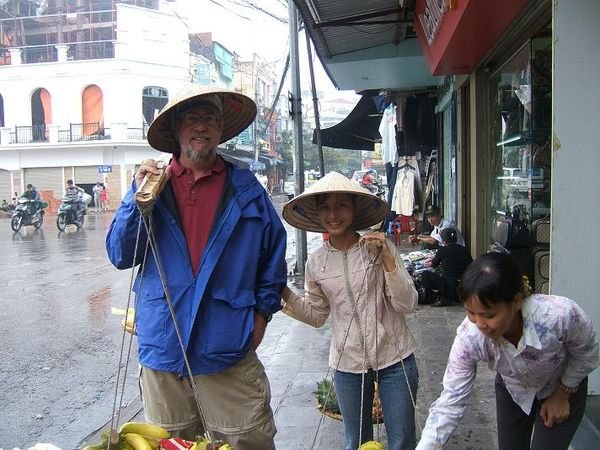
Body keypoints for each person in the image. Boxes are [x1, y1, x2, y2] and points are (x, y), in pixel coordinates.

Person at [105, 85, 287, 449]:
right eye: (192, 118)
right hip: (164, 346)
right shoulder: (152, 186)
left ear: (221, 129)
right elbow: (121, 253)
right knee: (172, 443)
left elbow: (273, 256)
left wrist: (262, 315)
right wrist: (135, 196)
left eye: (209, 118)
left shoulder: (246, 189)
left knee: (247, 441)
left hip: (227, 345)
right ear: (177, 130)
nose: (200, 127)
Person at [280, 172, 419, 450]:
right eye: (326, 207)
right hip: (347, 364)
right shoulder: (316, 263)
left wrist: (388, 258)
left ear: (354, 209)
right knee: (356, 443)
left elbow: (407, 303)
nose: (334, 214)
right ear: (318, 214)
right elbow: (318, 315)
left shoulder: (378, 247)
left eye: (342, 205)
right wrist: (282, 293)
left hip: (395, 358)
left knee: (402, 441)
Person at [416, 252, 599, 450]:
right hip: (514, 388)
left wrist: (563, 394)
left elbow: (588, 351)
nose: (479, 324)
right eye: (471, 313)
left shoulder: (559, 315)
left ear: (516, 302)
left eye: (489, 315)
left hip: (563, 385)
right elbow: (451, 399)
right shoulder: (469, 337)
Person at [420, 227, 472, 307]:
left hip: (450, 290)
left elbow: (433, 264)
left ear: (444, 241)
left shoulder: (442, 250)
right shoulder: (464, 250)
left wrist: (428, 262)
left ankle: (438, 297)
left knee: (425, 274)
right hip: (464, 290)